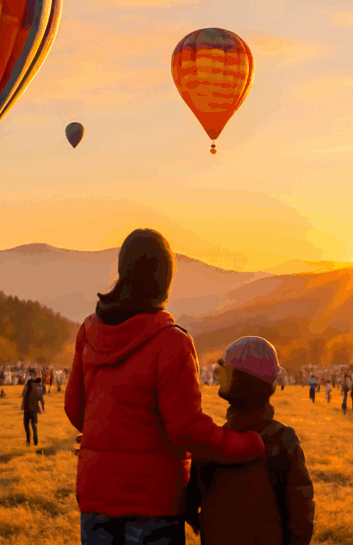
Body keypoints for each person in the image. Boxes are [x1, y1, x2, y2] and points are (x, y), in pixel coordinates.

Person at [64, 229, 265, 545]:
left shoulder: (90, 331)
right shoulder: (171, 342)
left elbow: (75, 409)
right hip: (152, 501)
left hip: (96, 495)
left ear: (123, 270)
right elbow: (186, 429)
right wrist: (247, 444)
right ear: (164, 278)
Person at [185, 337, 314, 545]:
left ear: (244, 382)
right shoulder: (282, 440)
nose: (218, 374)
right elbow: (300, 513)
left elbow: (189, 501)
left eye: (226, 370)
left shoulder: (212, 443)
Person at [21, 368, 45, 446]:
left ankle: (29, 440)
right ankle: (35, 440)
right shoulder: (38, 385)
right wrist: (42, 405)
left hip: (28, 407)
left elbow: (23, 394)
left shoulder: (29, 383)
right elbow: (41, 396)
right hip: (33, 406)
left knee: (27, 424)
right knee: (33, 424)